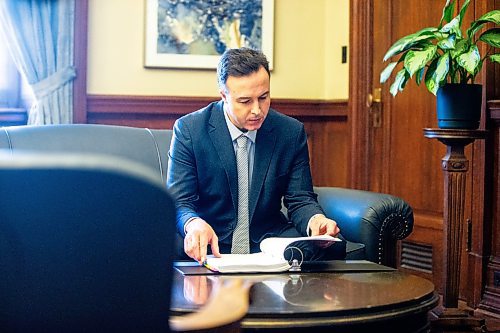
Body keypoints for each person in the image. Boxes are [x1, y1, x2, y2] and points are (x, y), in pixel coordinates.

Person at [167, 47, 346, 264]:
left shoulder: (290, 132)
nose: (257, 110)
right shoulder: (190, 130)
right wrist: (193, 223)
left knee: (335, 245)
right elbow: (180, 201)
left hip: (267, 240)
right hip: (211, 240)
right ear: (224, 96)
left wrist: (316, 220)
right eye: (245, 101)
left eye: (263, 97)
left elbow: (300, 199)